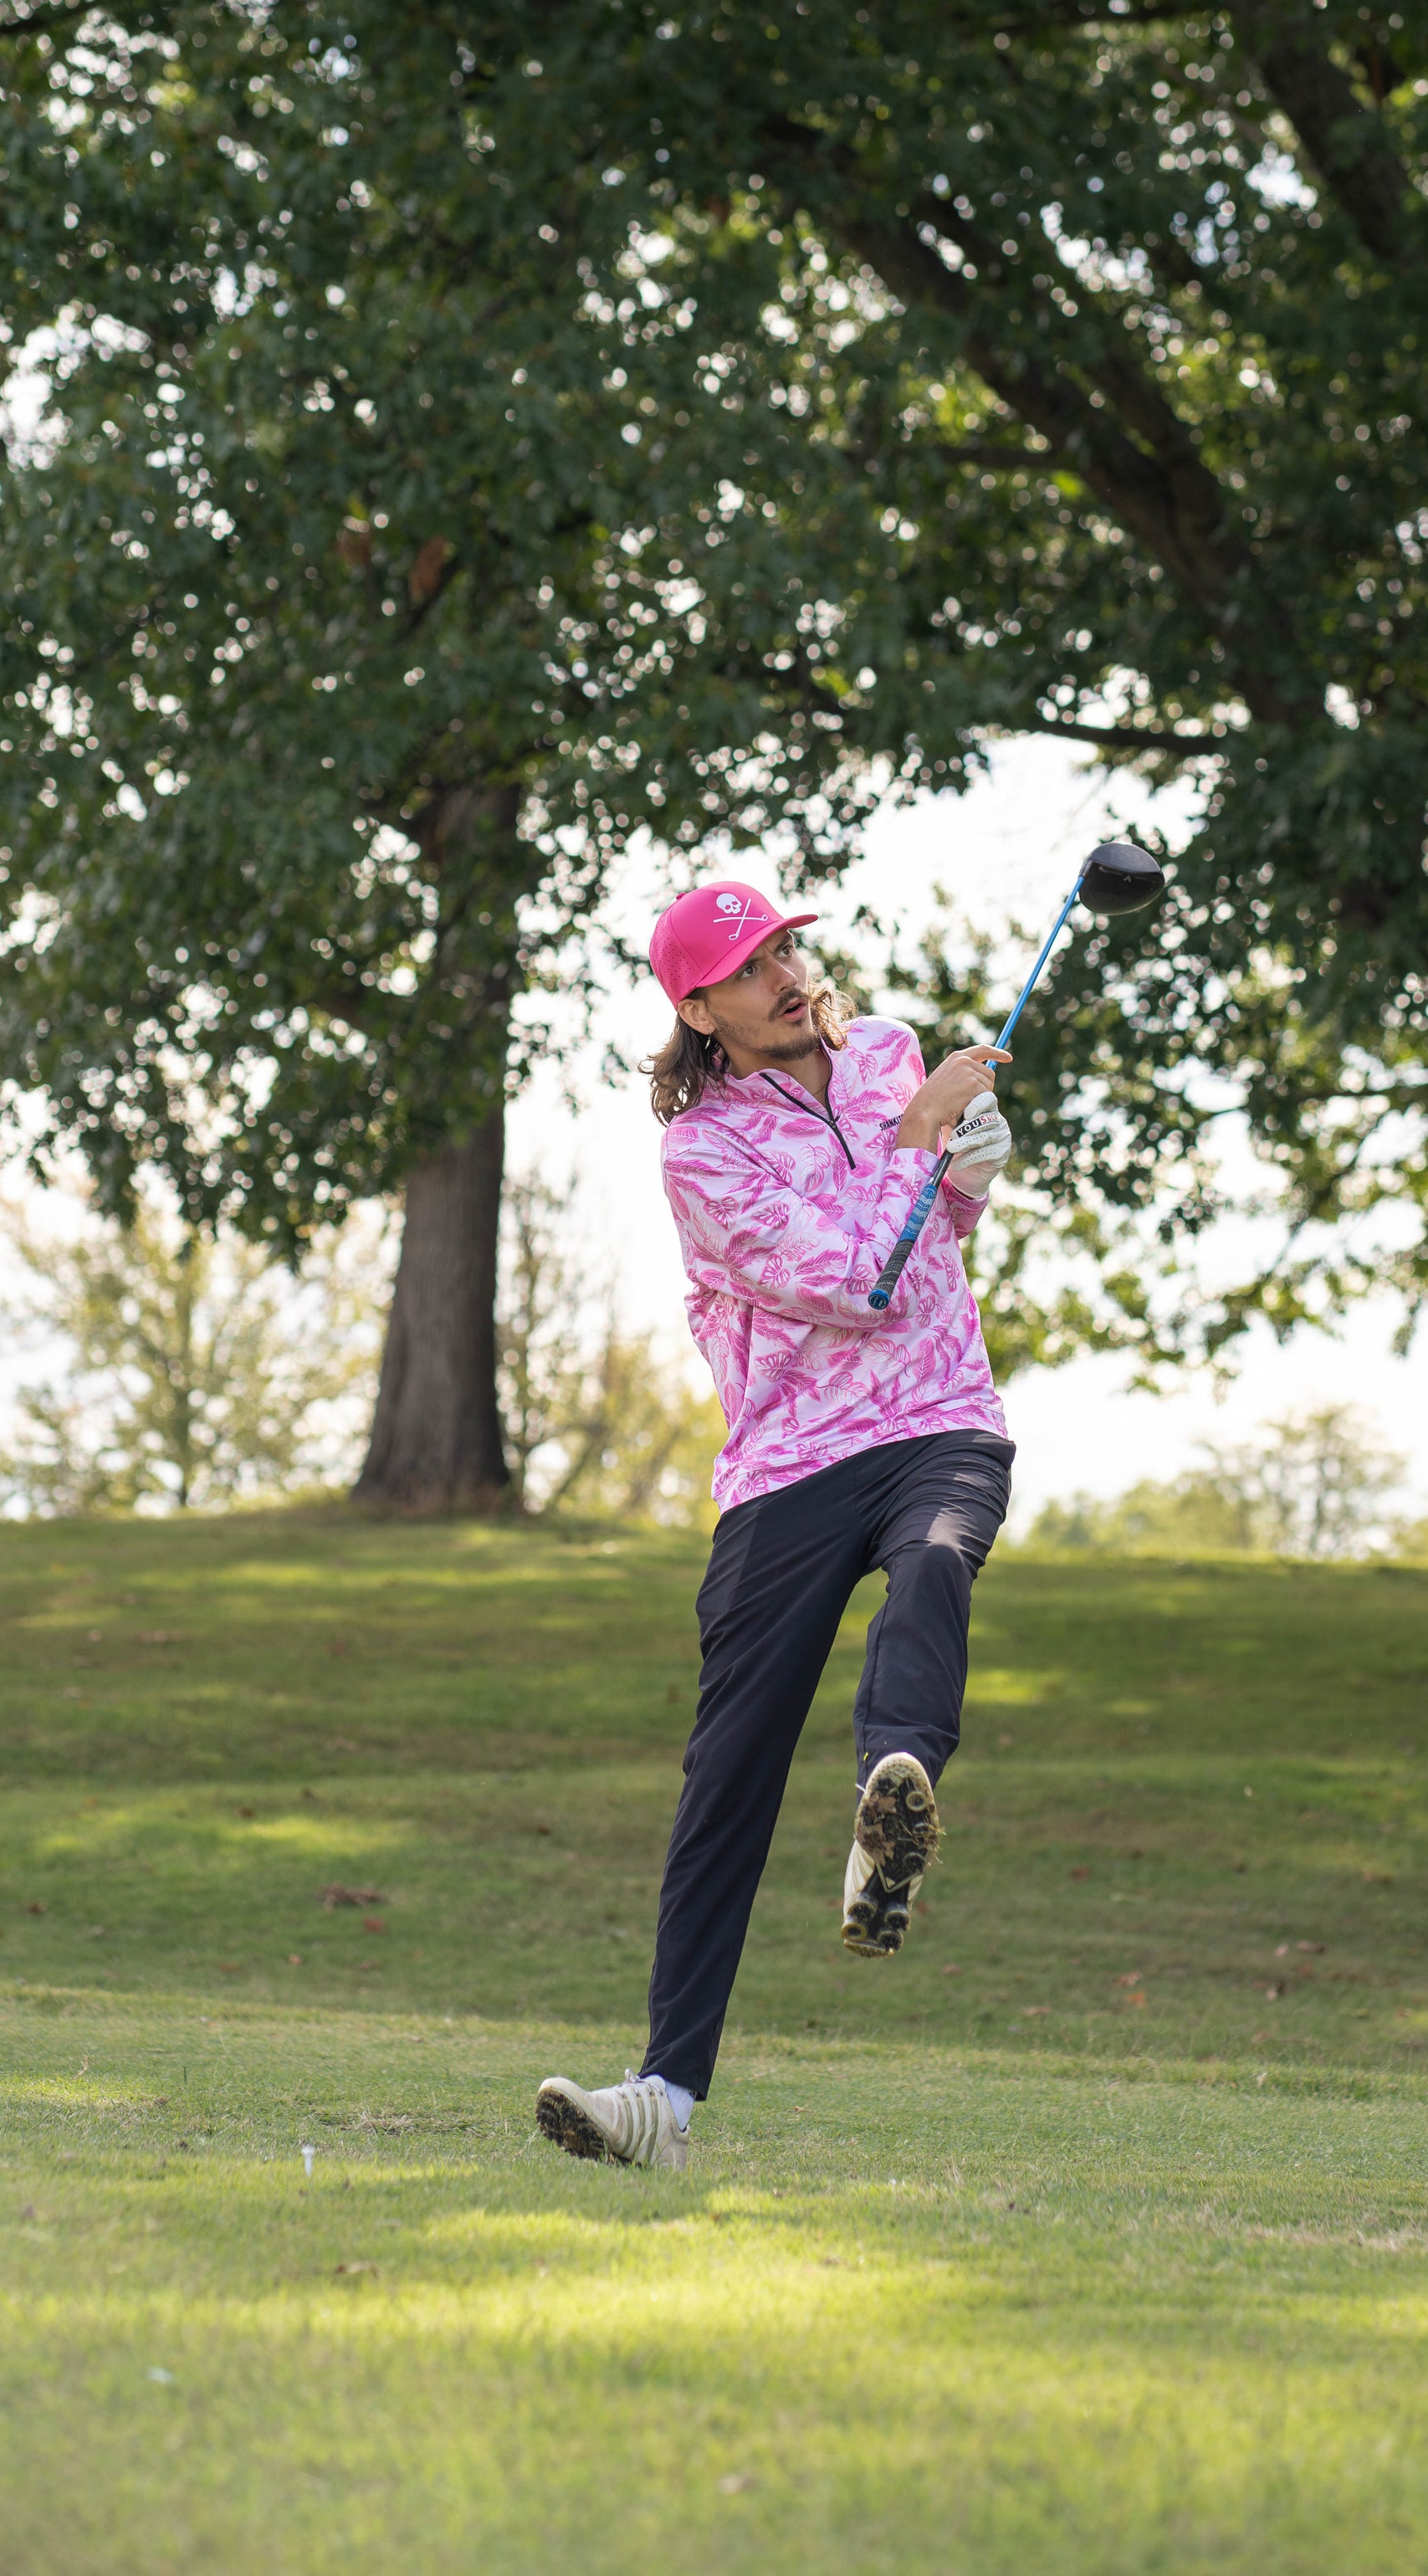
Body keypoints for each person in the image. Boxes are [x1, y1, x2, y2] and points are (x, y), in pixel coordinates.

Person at [536, 878, 1016, 2169]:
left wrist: (966, 1171)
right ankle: (664, 2103)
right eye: (752, 970)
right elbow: (852, 1278)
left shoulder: (888, 1061)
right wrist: (926, 1139)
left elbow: (927, 1244)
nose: (787, 977)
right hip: (790, 1466)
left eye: (788, 950)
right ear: (701, 1012)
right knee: (726, 1784)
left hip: (938, 1414)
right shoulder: (701, 1151)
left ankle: (889, 1797)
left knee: (937, 1560)